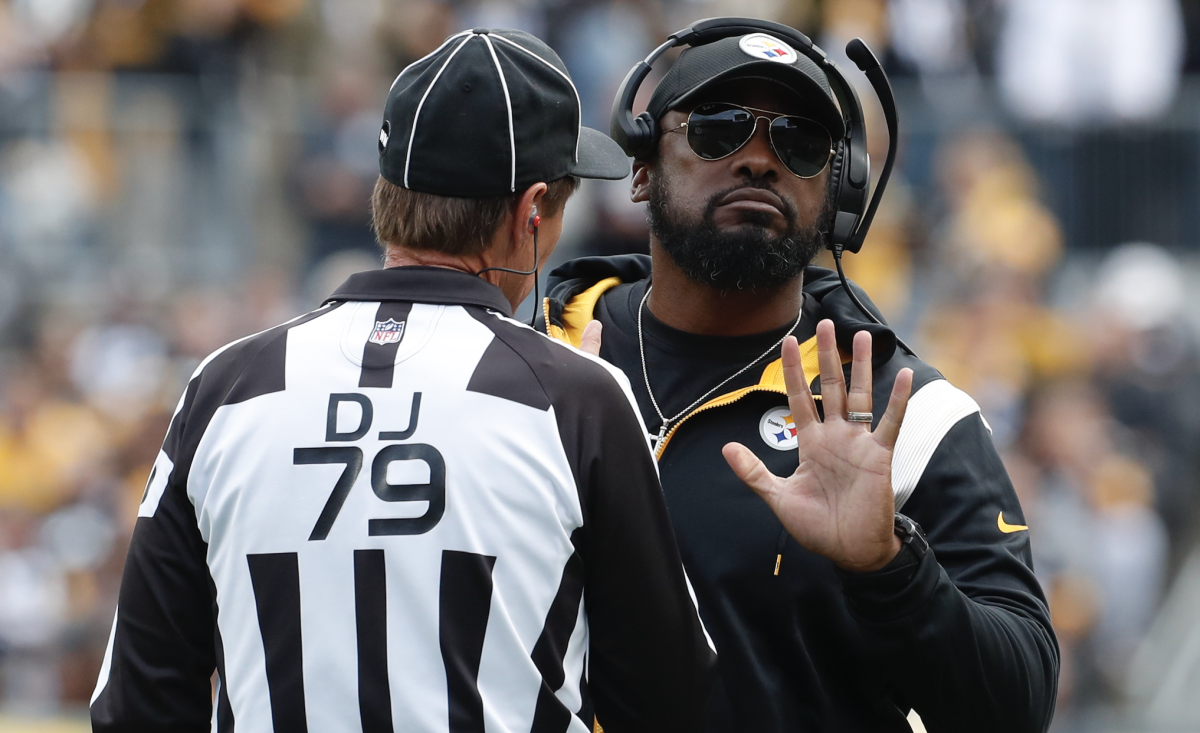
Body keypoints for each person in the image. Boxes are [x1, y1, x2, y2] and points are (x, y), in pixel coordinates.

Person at [91, 28, 715, 733]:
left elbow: (137, 702)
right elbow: (671, 701)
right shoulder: (576, 399)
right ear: (531, 212)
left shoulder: (227, 387)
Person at [541, 25, 1059, 732]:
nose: (758, 160)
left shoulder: (907, 416)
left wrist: (890, 568)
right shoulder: (529, 360)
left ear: (839, 196)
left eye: (802, 142)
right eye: (719, 130)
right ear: (641, 165)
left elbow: (1018, 704)